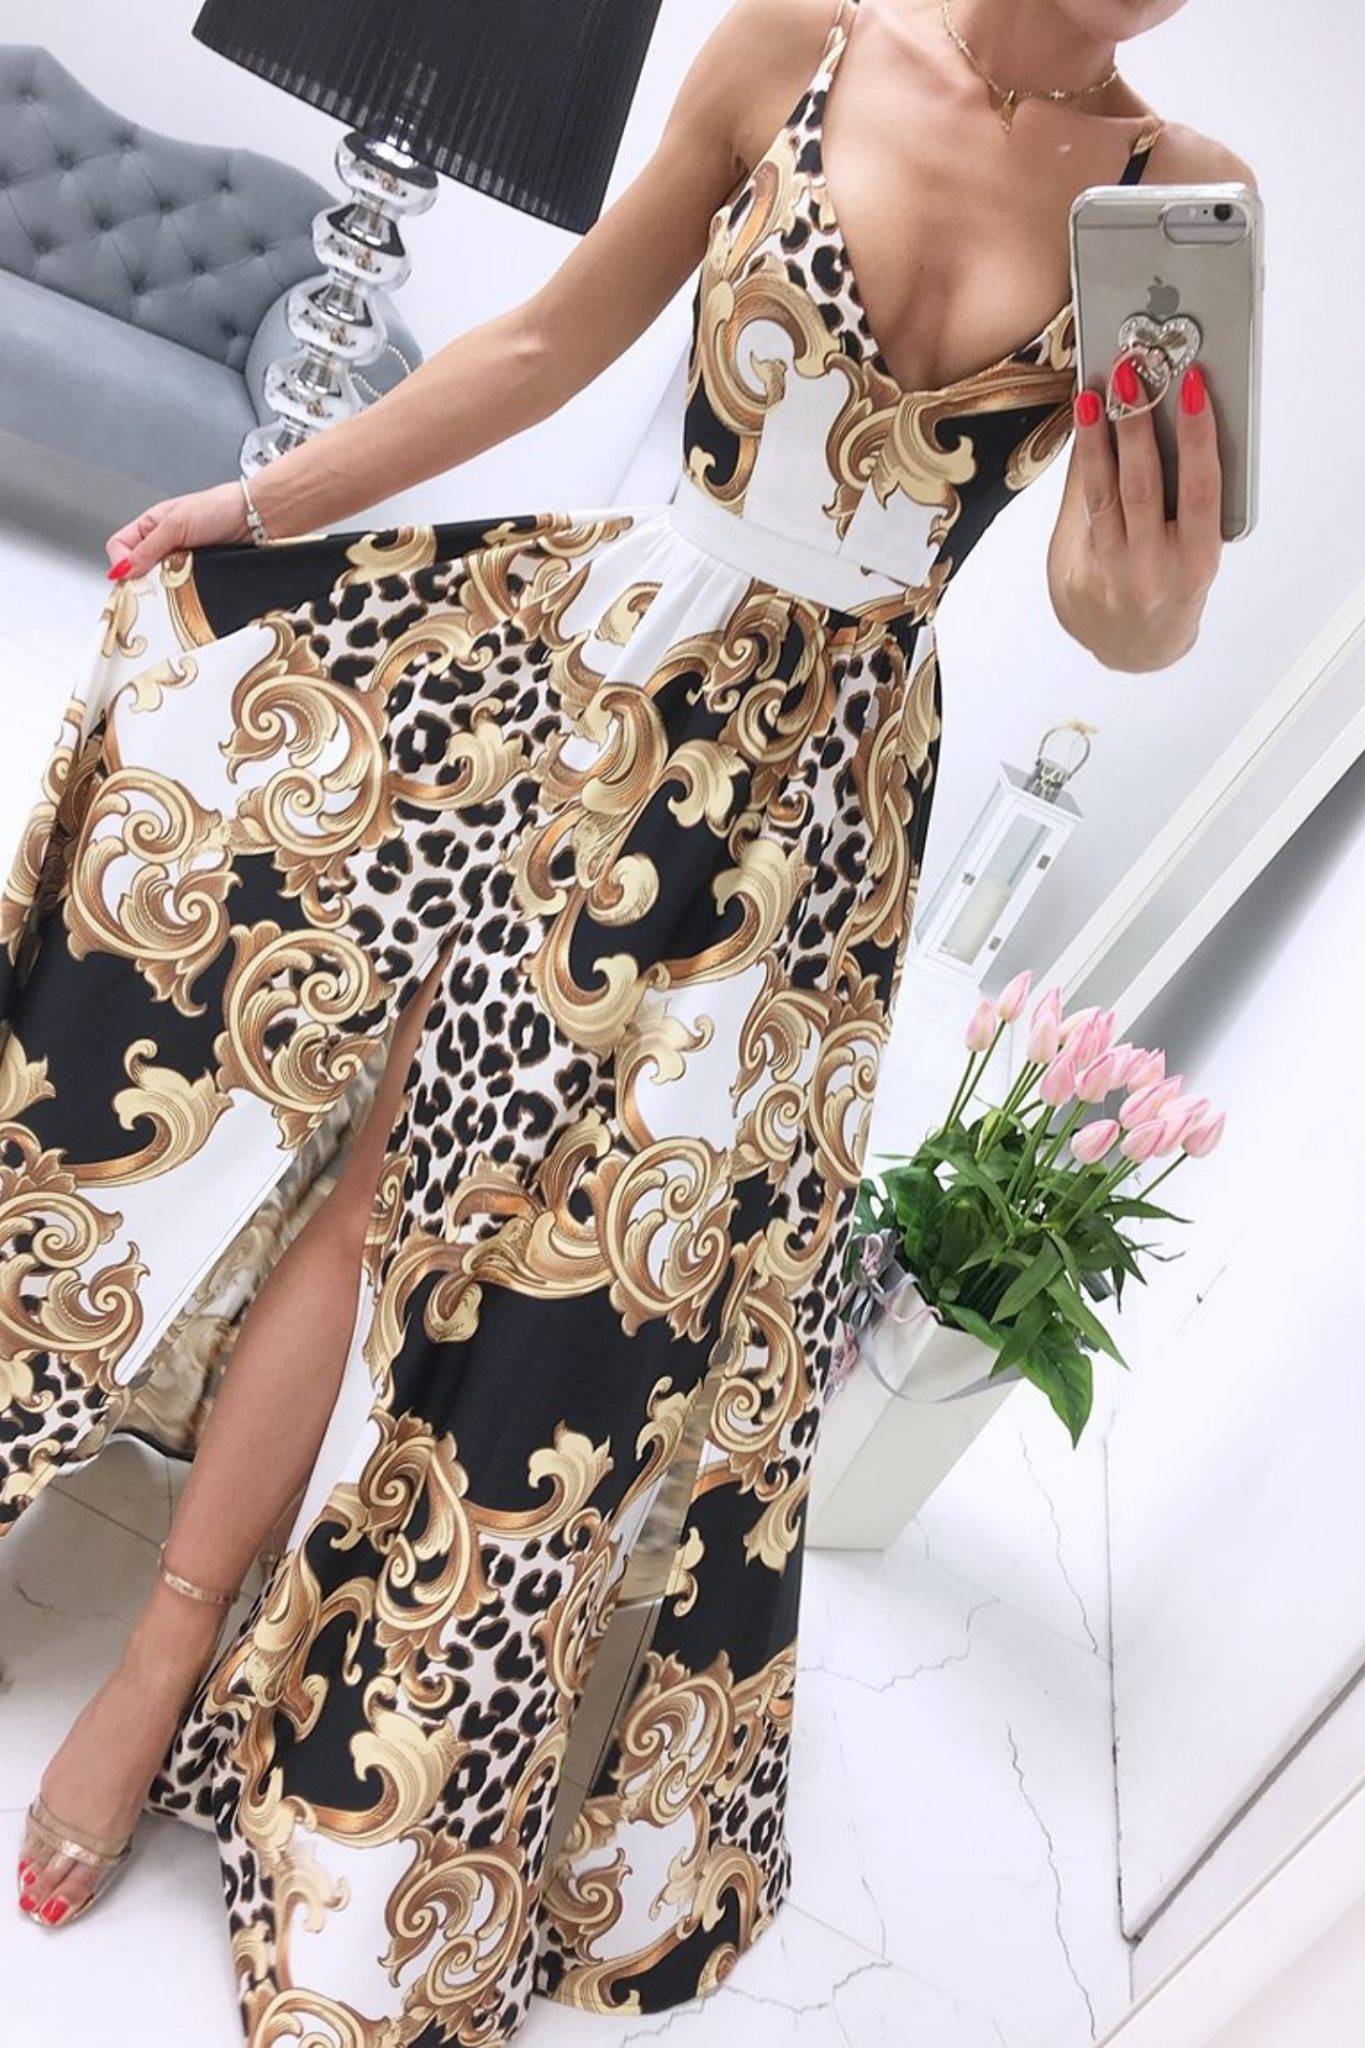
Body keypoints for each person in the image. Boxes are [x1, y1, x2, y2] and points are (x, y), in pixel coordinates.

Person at [5, 0, 1252, 2036]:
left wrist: (1153, 587)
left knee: (590, 1304)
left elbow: (1128, 615)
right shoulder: (801, 46)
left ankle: (379, 1751)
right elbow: (540, 342)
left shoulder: (1179, 195)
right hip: (610, 682)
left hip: (823, 807)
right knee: (389, 1182)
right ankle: (159, 1662)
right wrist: (268, 503)